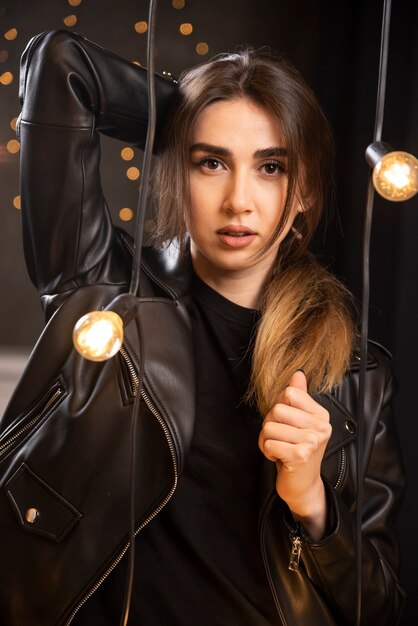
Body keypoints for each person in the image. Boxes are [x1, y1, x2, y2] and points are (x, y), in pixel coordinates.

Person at [0, 29, 405, 626]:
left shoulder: (355, 370)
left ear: (304, 193)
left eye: (271, 167)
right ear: (174, 172)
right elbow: (63, 67)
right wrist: (197, 107)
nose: (239, 199)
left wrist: (313, 505)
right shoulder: (106, 292)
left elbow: (382, 607)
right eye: (210, 162)